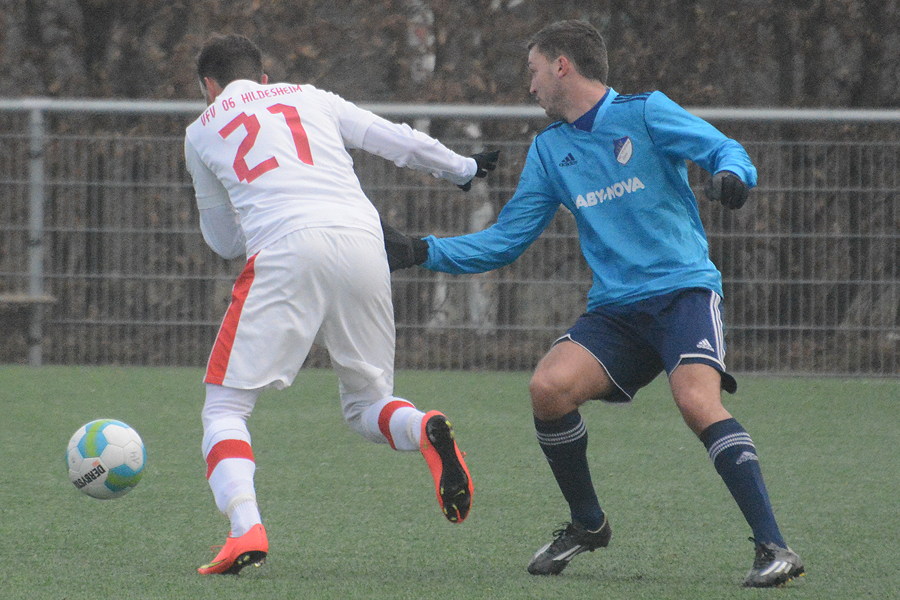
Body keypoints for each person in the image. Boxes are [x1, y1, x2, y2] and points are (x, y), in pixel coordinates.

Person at [384, 20, 803, 588]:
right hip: (616, 311)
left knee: (696, 402)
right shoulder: (549, 149)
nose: (530, 86)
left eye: (534, 71)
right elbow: (505, 241)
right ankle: (588, 524)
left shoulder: (645, 112)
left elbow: (724, 149)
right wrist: (421, 250)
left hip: (682, 292)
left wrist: (733, 175)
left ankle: (773, 547)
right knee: (548, 389)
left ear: (562, 66)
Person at [184, 33, 498, 575]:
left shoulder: (200, 130)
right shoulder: (309, 96)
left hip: (284, 249)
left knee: (225, 408)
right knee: (367, 404)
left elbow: (224, 241)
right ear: (264, 78)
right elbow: (395, 139)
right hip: (362, 241)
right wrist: (463, 169)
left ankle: (245, 528)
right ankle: (423, 426)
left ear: (209, 87)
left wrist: (250, 217)